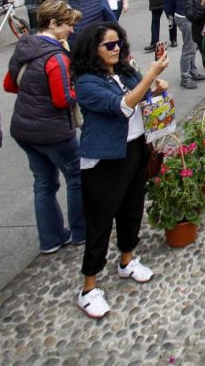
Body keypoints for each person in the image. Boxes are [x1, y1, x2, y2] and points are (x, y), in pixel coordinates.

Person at [72, 22, 169, 319]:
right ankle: (88, 287)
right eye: (109, 45)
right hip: (104, 158)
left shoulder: (125, 71)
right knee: (100, 221)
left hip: (134, 148)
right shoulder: (87, 82)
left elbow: (140, 97)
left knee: (132, 209)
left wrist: (154, 87)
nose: (116, 49)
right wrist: (151, 75)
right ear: (94, 49)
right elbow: (124, 106)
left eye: (118, 44)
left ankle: (127, 259)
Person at [3, 0, 84, 255]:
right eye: (68, 26)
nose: (71, 31)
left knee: (43, 183)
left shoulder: (25, 46)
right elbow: (63, 99)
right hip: (52, 130)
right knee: (76, 177)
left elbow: (9, 85)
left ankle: (50, 239)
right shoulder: (56, 57)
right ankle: (81, 232)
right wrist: (78, 89)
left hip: (23, 127)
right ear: (53, 24)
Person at [164, 0, 205, 89]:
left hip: (186, 15)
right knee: (189, 47)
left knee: (192, 46)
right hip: (185, 16)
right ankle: (185, 76)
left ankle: (193, 72)